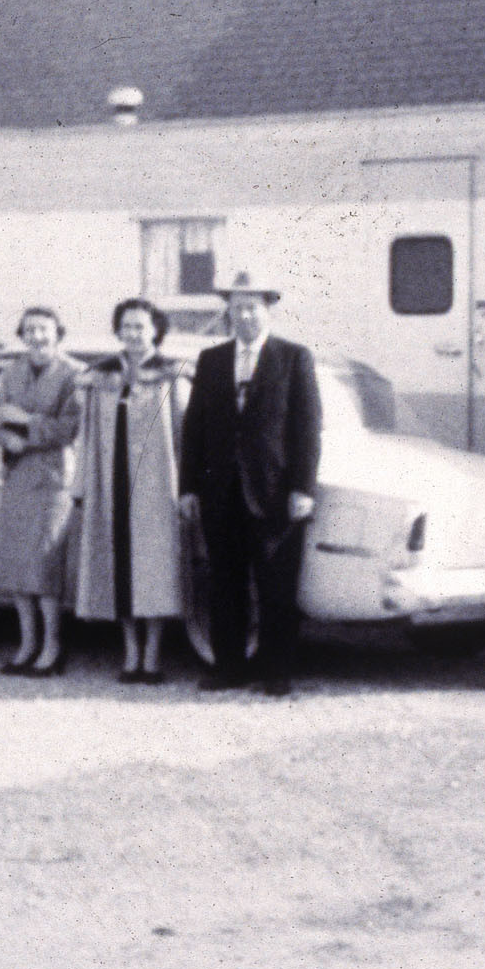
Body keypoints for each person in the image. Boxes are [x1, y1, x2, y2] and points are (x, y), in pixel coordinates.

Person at [179, 268, 322, 697]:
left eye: (252, 308)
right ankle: (229, 667)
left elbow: (308, 429)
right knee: (225, 583)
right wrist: (189, 487)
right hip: (220, 494)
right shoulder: (212, 360)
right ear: (229, 313)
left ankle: (276, 670)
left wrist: (303, 489)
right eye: (237, 308)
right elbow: (195, 429)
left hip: (274, 494)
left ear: (268, 311)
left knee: (277, 585)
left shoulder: (294, 358)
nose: (244, 316)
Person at [75, 298, 183, 683]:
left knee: (153, 570)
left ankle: (152, 656)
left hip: (156, 487)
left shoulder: (172, 375)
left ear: (155, 329)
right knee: (118, 566)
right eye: (127, 326)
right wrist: (82, 485)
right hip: (112, 483)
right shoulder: (99, 376)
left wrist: (186, 488)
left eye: (141, 326)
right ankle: (130, 653)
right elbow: (86, 435)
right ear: (117, 331)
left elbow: (183, 436)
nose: (134, 334)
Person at [0, 306, 84, 677]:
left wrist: (26, 424)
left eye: (44, 330)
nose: (37, 337)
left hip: (52, 477)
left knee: (44, 565)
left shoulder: (73, 373)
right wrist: (6, 433)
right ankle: (26, 644)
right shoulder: (11, 371)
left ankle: (52, 648)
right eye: (30, 330)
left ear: (58, 333)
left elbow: (70, 428)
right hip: (17, 478)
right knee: (17, 566)